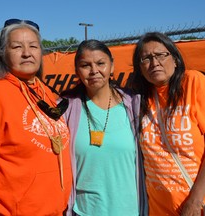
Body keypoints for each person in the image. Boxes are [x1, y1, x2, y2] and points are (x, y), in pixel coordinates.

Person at [0, 19, 72, 215]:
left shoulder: (44, 90)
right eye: (17, 46)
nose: (27, 52)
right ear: (2, 53)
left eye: (33, 46)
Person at [129, 31, 205, 216]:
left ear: (175, 59)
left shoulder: (193, 82)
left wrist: (195, 200)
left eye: (161, 55)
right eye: (146, 58)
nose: (154, 63)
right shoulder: (139, 98)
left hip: (202, 204)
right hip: (159, 207)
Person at [61, 39, 148, 216]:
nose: (94, 71)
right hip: (84, 211)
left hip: (130, 211)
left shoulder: (135, 105)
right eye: (85, 65)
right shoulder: (66, 109)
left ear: (112, 66)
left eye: (101, 63)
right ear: (77, 70)